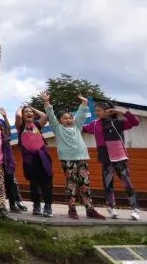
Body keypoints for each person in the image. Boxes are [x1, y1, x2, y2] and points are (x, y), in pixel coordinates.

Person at [41, 91, 105, 220]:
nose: (69, 120)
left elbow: (81, 115)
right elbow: (51, 116)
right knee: (71, 184)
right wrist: (46, 102)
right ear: (59, 121)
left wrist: (84, 103)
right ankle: (72, 208)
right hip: (68, 159)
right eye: (65, 118)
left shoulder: (77, 126)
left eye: (70, 118)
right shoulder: (58, 128)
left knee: (85, 184)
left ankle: (90, 209)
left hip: (82, 158)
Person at [83, 97, 142, 220]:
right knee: (108, 185)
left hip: (119, 158)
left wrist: (119, 112)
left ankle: (135, 208)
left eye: (99, 110)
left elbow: (135, 121)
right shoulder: (94, 124)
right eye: (96, 111)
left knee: (127, 184)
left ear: (107, 111)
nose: (97, 113)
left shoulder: (117, 123)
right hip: (105, 159)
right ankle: (111, 207)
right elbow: (82, 128)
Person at [14, 104, 54, 217]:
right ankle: (36, 206)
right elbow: (17, 116)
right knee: (34, 184)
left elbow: (45, 116)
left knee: (47, 183)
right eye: (26, 112)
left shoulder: (37, 124)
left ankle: (48, 207)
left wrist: (32, 107)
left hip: (43, 158)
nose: (29, 113)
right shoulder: (20, 126)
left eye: (30, 112)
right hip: (30, 160)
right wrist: (21, 107)